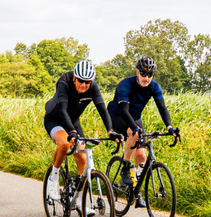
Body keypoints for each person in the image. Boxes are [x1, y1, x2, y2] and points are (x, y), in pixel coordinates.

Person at [43, 60, 121, 202]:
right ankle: (53, 179)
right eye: (80, 81)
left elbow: (102, 109)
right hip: (55, 119)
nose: (84, 85)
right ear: (74, 78)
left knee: (83, 157)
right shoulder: (64, 82)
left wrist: (111, 131)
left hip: (73, 122)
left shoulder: (93, 87)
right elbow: (62, 110)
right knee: (65, 144)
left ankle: (77, 198)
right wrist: (71, 132)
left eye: (87, 82)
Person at [107, 56, 179, 206]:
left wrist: (169, 127)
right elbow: (125, 111)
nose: (146, 78)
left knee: (141, 155)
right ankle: (126, 167)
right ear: (137, 72)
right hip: (117, 116)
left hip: (135, 118)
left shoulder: (154, 86)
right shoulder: (125, 85)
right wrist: (134, 129)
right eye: (143, 74)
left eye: (150, 75)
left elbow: (162, 107)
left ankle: (136, 191)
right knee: (132, 133)